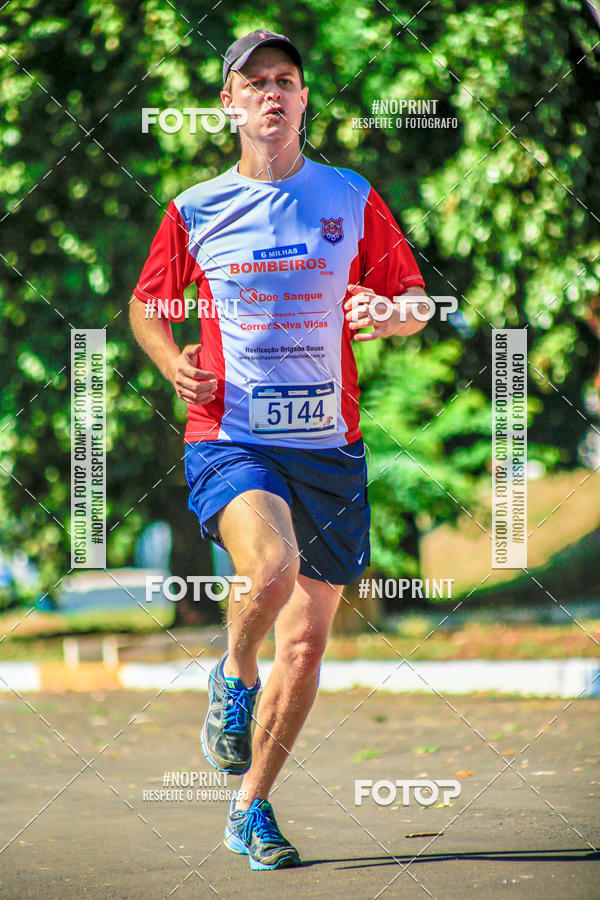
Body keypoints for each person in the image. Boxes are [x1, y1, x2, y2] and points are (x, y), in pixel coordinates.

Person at [129, 29, 428, 870]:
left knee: (304, 645)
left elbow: (414, 300)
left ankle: (250, 806)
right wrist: (169, 359)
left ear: (302, 101)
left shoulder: (350, 196)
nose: (271, 93)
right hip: (231, 433)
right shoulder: (195, 209)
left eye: (286, 81)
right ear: (227, 102)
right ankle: (232, 671)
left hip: (331, 447)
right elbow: (148, 306)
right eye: (254, 81)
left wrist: (391, 314)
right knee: (270, 570)